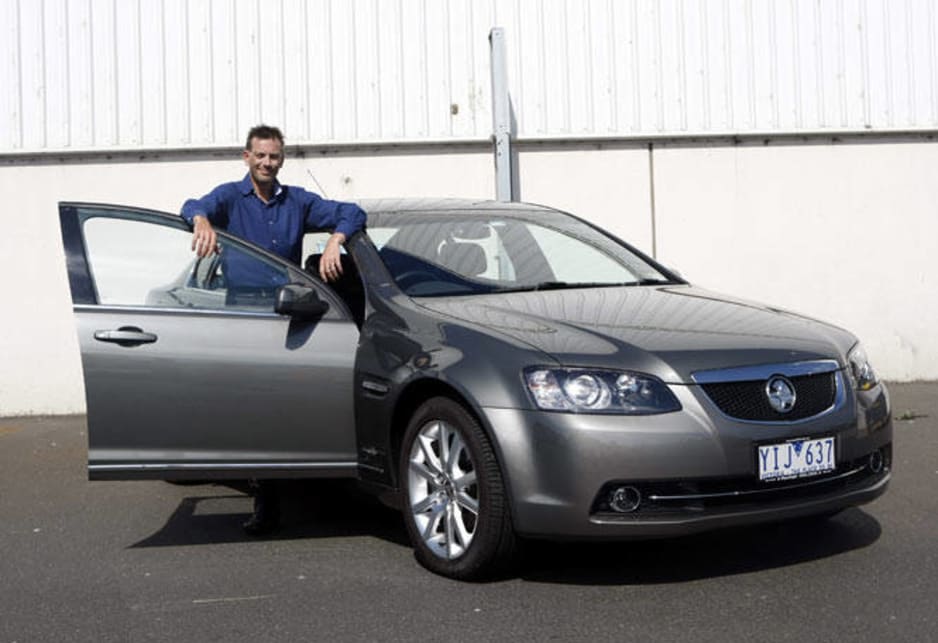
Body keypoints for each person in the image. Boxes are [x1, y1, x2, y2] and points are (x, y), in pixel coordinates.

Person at [180, 124, 367, 536]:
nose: (267, 163)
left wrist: (337, 238)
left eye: (274, 156)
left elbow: (352, 212)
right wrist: (200, 220)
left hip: (287, 313)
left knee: (284, 404)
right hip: (243, 316)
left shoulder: (296, 201)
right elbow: (193, 204)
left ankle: (302, 483)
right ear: (246, 157)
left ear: (282, 159)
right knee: (248, 408)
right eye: (260, 156)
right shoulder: (230, 197)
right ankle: (264, 498)